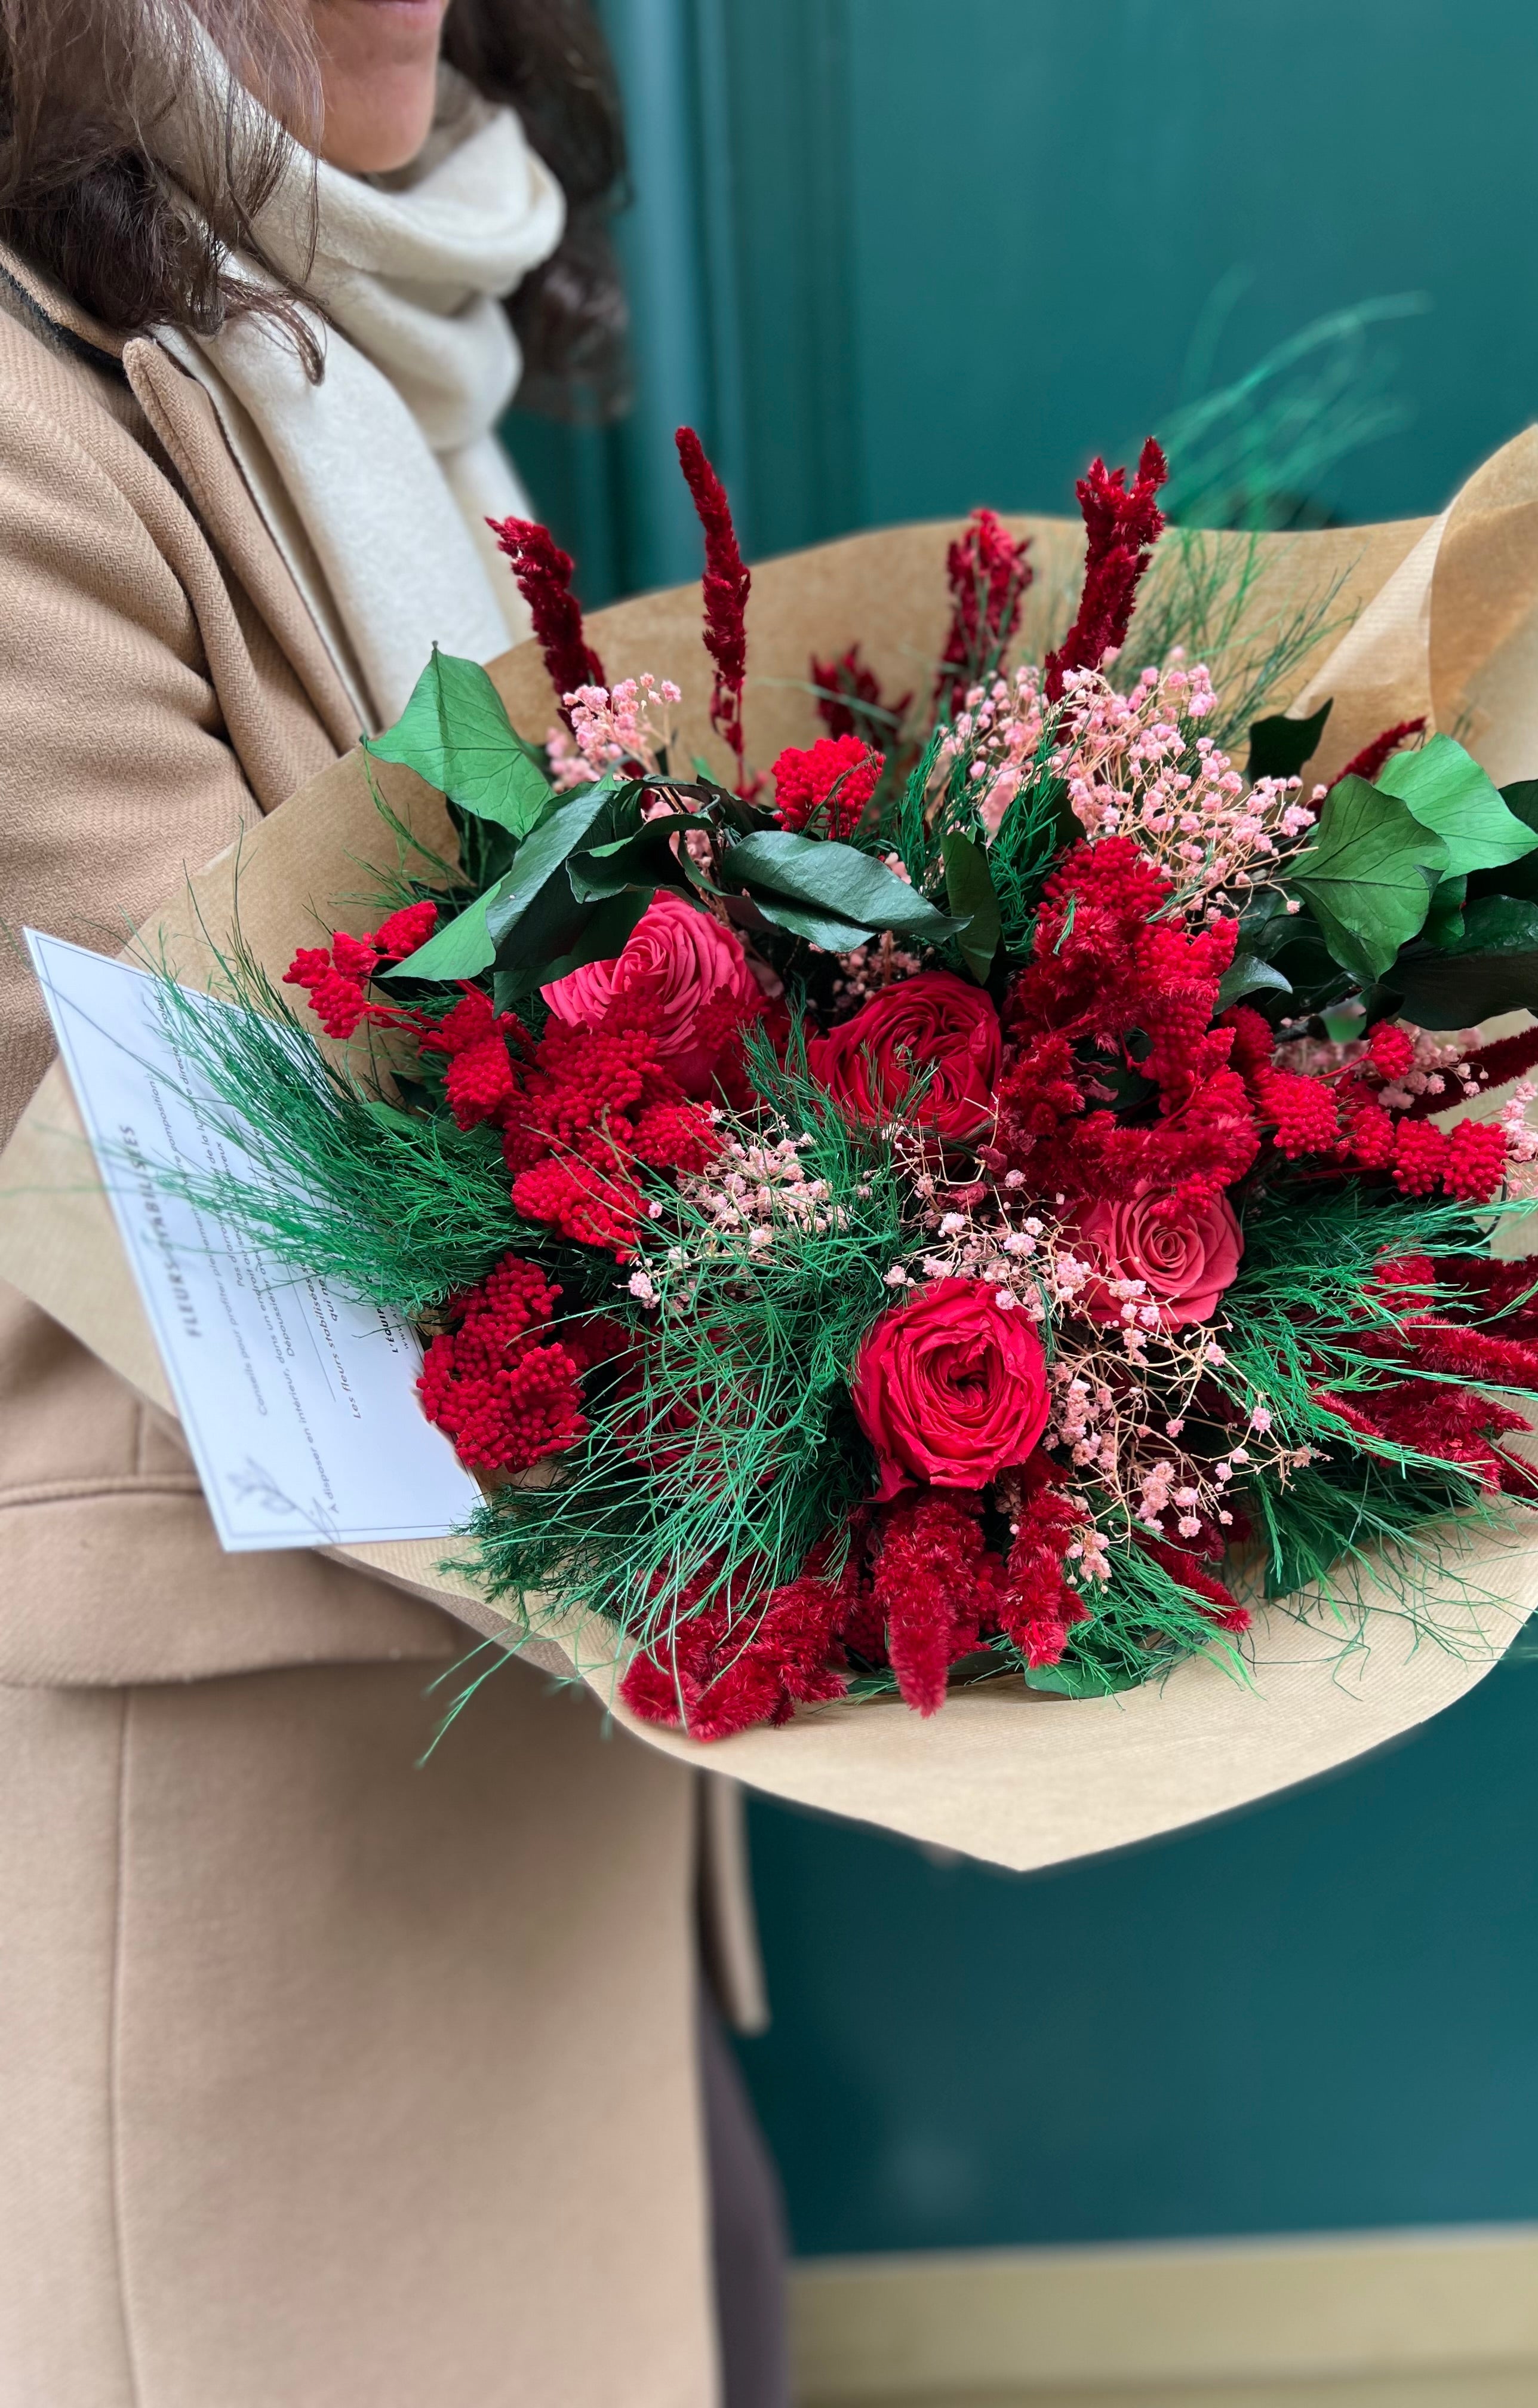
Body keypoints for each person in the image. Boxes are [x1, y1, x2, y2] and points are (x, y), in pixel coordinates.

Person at [0, 4, 788, 2401]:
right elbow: (262, 1197)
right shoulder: (29, 418)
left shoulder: (382, 357)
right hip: (285, 1891)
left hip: (561, 1786)